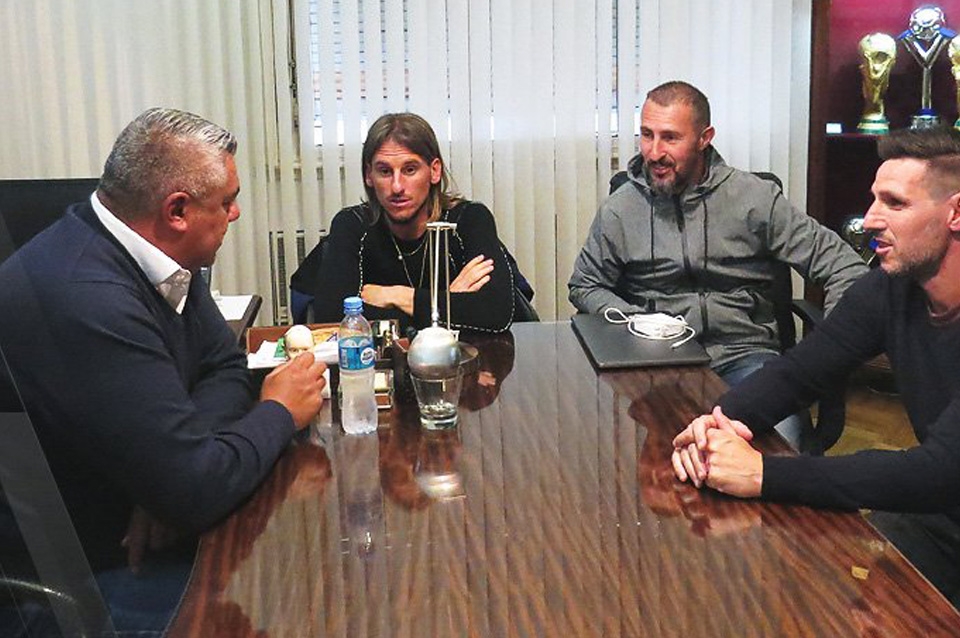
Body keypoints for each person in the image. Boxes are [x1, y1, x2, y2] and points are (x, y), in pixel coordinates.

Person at [0, 108, 327, 634]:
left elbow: (222, 364)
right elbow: (196, 492)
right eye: (227, 201)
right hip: (78, 571)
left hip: (141, 516)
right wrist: (278, 410)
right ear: (177, 211)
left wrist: (168, 477)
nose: (236, 213)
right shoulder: (87, 297)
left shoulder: (154, 255)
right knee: (297, 606)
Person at [671, 126, 960, 609]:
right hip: (942, 516)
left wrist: (765, 474)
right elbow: (800, 372)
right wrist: (718, 422)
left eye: (895, 203)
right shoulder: (888, 290)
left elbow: (941, 471)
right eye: (874, 199)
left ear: (956, 213)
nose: (869, 220)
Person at [568, 80, 868, 451]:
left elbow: (844, 267)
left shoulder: (755, 198)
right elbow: (585, 285)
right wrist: (635, 319)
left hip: (746, 359)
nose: (654, 152)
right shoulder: (621, 208)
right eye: (646, 135)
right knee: (643, 461)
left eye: (670, 138)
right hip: (657, 367)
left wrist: (828, 348)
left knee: (778, 455)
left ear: (704, 138)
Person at [302, 112, 527, 333]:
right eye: (384, 171)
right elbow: (333, 317)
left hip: (465, 355)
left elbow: (496, 312)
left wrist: (397, 296)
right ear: (369, 175)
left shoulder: (469, 219)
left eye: (410, 170)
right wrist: (445, 303)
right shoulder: (352, 225)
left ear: (434, 171)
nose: (397, 187)